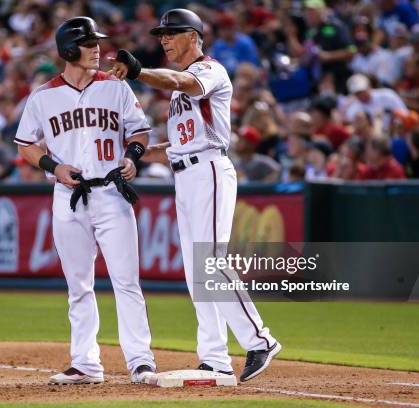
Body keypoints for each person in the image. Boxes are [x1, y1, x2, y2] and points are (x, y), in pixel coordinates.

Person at [108, 8, 281, 382]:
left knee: (211, 261)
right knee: (196, 274)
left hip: (211, 171)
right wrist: (137, 151)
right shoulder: (180, 85)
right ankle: (215, 356)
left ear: (194, 36)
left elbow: (178, 82)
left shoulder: (209, 70)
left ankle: (260, 339)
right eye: (161, 35)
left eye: (171, 33)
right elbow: (180, 143)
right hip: (185, 174)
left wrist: (138, 72)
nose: (164, 40)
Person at [14, 16, 156, 385]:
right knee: (78, 285)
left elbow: (139, 130)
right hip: (69, 195)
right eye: (89, 43)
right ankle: (85, 363)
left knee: (126, 282)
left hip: (111, 193)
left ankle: (141, 360)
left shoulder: (116, 87)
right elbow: (25, 143)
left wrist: (133, 157)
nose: (98, 49)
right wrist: (51, 166)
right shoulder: (43, 96)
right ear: (67, 49)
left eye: (97, 43)